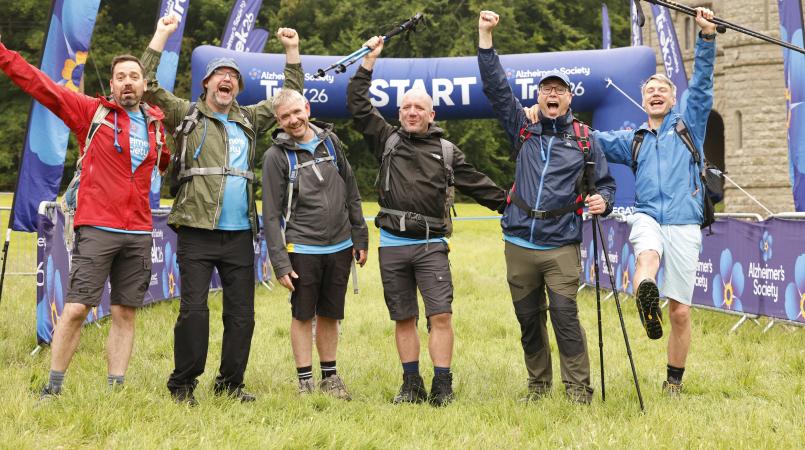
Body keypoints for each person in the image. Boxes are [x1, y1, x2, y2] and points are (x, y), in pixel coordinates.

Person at [143, 15, 304, 405]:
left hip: (239, 234)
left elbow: (290, 98)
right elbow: (146, 85)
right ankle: (183, 384)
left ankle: (230, 384)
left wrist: (292, 51)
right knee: (194, 312)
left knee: (242, 315)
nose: (227, 79)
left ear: (237, 88)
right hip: (196, 231)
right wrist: (162, 34)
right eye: (221, 74)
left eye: (233, 76)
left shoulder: (248, 118)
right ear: (207, 84)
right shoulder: (185, 113)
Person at [0, 36, 170, 398]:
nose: (127, 82)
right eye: (120, 77)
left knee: (125, 312)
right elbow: (41, 85)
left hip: (139, 231)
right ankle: (53, 388)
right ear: (111, 85)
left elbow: (165, 162)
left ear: (144, 84)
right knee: (77, 307)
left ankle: (115, 390)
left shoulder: (155, 125)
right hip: (97, 227)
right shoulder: (92, 113)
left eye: (134, 77)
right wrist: (3, 55)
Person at [347, 36, 507, 407]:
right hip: (392, 246)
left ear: (431, 115)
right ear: (399, 113)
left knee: (441, 315)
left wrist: (517, 206)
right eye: (406, 107)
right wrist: (369, 61)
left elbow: (482, 186)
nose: (412, 112)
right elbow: (357, 103)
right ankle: (411, 384)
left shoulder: (446, 151)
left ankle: (443, 385)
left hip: (431, 246)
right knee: (403, 318)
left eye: (419, 107)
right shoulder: (386, 139)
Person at [478, 11, 616, 404]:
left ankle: (578, 389)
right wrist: (485, 37)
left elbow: (607, 184)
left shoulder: (586, 139)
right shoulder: (522, 129)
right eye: (546, 90)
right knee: (528, 320)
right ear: (539, 97)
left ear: (569, 98)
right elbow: (496, 89)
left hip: (561, 244)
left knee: (565, 316)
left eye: (559, 90)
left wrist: (603, 201)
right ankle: (538, 386)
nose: (552, 95)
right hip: (519, 241)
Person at [590, 7, 717, 396]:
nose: (656, 93)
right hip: (647, 216)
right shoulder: (634, 139)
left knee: (680, 312)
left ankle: (673, 382)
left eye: (663, 89)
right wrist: (552, 121)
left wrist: (706, 37)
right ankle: (646, 296)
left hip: (684, 222)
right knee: (646, 255)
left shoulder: (688, 125)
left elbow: (701, 85)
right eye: (650, 91)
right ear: (643, 101)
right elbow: (589, 140)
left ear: (673, 98)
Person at [262, 89, 368, 400]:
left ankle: (330, 378)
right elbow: (271, 215)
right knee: (302, 314)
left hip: (340, 246)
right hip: (302, 248)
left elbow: (351, 191)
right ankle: (305, 382)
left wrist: (359, 235)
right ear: (278, 121)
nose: (293, 120)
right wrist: (279, 262)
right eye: (285, 117)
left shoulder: (331, 143)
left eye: (297, 112)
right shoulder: (275, 157)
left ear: (307, 108)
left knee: (330, 313)